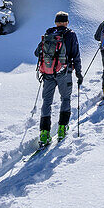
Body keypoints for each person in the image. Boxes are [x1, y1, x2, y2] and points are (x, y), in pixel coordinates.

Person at [34, 11, 83, 146]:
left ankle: (44, 133)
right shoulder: (70, 34)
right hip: (64, 72)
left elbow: (37, 52)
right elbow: (76, 55)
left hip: (48, 73)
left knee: (47, 102)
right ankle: (62, 129)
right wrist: (79, 73)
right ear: (67, 22)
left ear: (56, 22)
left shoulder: (49, 33)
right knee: (65, 98)